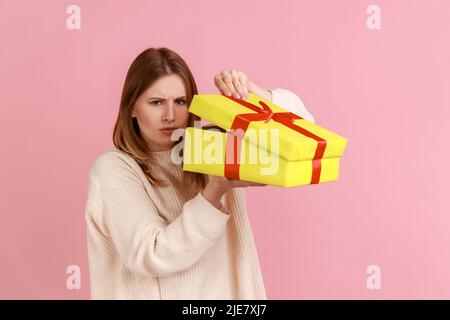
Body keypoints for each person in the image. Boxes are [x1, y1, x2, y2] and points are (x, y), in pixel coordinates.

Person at [84, 47, 315, 299]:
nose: (170, 116)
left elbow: (307, 135)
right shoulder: (113, 169)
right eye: (156, 102)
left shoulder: (215, 144)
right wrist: (215, 191)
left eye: (180, 101)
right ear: (131, 108)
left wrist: (257, 94)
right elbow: (152, 255)